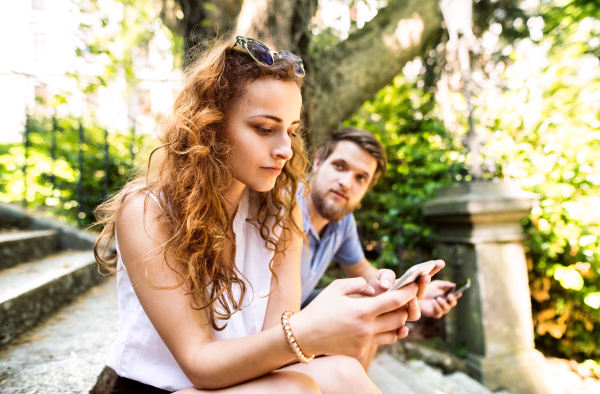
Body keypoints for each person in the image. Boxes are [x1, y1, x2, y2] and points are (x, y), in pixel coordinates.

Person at [93, 37, 438, 394]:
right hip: (162, 389)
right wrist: (310, 331)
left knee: (345, 371)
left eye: (290, 130)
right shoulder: (148, 210)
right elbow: (199, 364)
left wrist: (353, 319)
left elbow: (279, 342)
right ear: (209, 125)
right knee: (305, 387)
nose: (286, 150)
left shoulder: (278, 209)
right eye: (264, 129)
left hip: (246, 382)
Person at [299, 127, 462, 371]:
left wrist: (416, 292)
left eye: (360, 178)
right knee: (361, 312)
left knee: (372, 308)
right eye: (339, 166)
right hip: (266, 319)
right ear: (318, 163)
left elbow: (363, 270)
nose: (346, 183)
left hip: (298, 307)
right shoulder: (286, 206)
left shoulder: (342, 222)